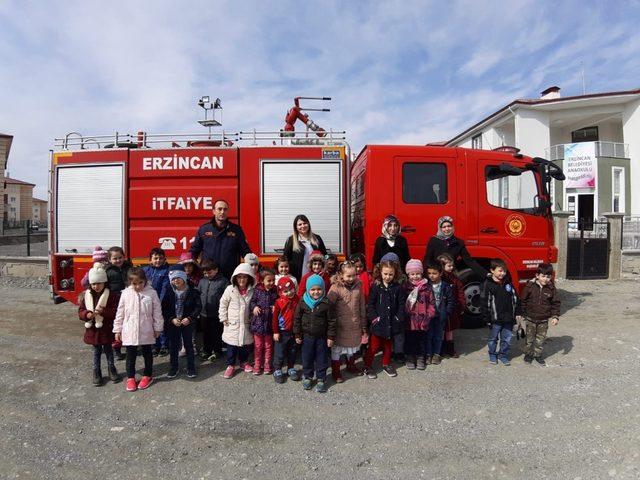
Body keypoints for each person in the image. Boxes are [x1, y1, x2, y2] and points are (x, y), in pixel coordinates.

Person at [113, 267, 163, 392]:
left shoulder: (151, 293)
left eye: (140, 282)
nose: (138, 286)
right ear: (129, 283)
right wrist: (117, 330)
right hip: (130, 329)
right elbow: (120, 313)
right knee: (131, 355)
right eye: (134, 283)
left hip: (146, 329)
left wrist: (158, 328)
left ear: (145, 281)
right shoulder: (125, 294)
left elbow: (157, 312)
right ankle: (130, 377)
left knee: (147, 353)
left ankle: (147, 375)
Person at [78, 263, 120, 386]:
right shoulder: (86, 296)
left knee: (108, 351)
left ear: (105, 283)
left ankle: (111, 368)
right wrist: (86, 314)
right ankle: (96, 371)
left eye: (99, 283)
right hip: (93, 331)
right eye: (93, 284)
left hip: (106, 329)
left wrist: (104, 312)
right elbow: (80, 311)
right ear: (90, 284)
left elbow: (116, 311)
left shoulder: (111, 296)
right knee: (96, 352)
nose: (96, 286)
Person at [293, 274, 336, 393]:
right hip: (307, 337)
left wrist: (330, 336)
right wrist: (297, 334)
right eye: (313, 289)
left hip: (322, 337)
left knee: (321, 358)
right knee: (307, 357)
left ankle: (321, 378)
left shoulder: (326, 303)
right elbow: (297, 319)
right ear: (308, 290)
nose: (316, 292)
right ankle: (308, 376)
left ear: (323, 289)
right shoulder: (303, 301)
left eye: (319, 289)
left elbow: (332, 321)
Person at [190, 199, 252, 281]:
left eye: (225, 209)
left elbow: (245, 251)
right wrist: (193, 270)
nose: (222, 212)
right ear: (214, 211)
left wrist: (253, 262)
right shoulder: (204, 229)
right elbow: (194, 251)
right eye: (219, 209)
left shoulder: (236, 230)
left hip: (229, 277)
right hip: (208, 278)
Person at [363, 260, 406, 379]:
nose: (388, 277)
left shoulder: (398, 288)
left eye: (390, 274)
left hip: (392, 323)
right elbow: (370, 304)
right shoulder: (376, 287)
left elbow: (402, 304)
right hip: (378, 323)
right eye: (385, 274)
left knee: (388, 346)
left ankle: (386, 364)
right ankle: (367, 365)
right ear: (380, 273)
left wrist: (398, 318)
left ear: (395, 274)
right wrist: (374, 318)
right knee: (373, 346)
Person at [327, 261, 367, 383]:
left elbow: (361, 305)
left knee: (352, 347)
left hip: (354, 324)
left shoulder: (359, 285)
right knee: (337, 349)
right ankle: (336, 371)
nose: (351, 278)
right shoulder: (335, 287)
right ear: (340, 275)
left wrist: (363, 325)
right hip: (340, 325)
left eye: (354, 275)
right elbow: (329, 306)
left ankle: (351, 365)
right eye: (348, 276)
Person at [480, 258, 522, 366]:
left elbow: (516, 299)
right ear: (492, 270)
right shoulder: (488, 284)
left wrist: (518, 312)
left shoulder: (508, 284)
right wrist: (487, 318)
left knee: (506, 339)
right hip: (495, 319)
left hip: (508, 318)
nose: (502, 273)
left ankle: (503, 355)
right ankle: (492, 354)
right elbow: (485, 302)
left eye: (504, 271)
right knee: (493, 339)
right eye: (500, 270)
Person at [163, 266, 202, 379]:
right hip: (174, 323)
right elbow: (164, 308)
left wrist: (190, 318)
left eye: (178, 278)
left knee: (188, 345)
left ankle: (191, 367)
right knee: (174, 346)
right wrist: (171, 319)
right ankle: (174, 367)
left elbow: (198, 307)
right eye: (173, 279)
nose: (176, 281)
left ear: (184, 277)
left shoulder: (193, 291)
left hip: (187, 323)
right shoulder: (169, 291)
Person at [519, 263, 561, 366]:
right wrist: (521, 313)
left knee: (540, 340)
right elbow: (523, 300)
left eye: (548, 276)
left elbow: (556, 303)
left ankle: (537, 355)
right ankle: (528, 354)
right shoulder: (530, 286)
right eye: (543, 276)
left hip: (543, 320)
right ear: (537, 275)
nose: (545, 279)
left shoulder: (551, 289)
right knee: (529, 339)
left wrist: (555, 316)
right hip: (530, 319)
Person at [219, 263, 255, 379]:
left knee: (244, 347)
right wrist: (223, 317)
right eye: (239, 277)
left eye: (244, 277)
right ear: (235, 278)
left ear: (249, 278)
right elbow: (223, 304)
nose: (242, 280)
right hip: (232, 325)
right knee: (231, 347)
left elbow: (255, 304)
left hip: (246, 324)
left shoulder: (252, 291)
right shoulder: (230, 290)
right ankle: (230, 365)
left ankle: (244, 362)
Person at [423, 216, 488, 279]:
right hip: (436, 276)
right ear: (440, 228)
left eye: (449, 226)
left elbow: (469, 261)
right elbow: (427, 260)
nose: (447, 229)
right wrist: (425, 276)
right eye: (444, 227)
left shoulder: (459, 242)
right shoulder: (434, 240)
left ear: (452, 227)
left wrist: (486, 274)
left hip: (450, 275)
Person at [403, 259, 435, 371]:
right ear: (408, 274)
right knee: (410, 340)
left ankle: (421, 357)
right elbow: (402, 302)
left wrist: (429, 314)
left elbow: (432, 303)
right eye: (412, 274)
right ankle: (410, 357)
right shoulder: (405, 288)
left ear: (422, 273)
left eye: (417, 273)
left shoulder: (427, 288)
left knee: (421, 340)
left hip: (423, 320)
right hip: (410, 320)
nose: (415, 276)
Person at [197, 260, 229, 362]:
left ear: (216, 270)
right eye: (205, 273)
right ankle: (207, 350)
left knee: (217, 333)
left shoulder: (223, 281)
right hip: (203, 313)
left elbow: (227, 297)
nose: (207, 275)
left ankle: (217, 351)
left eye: (209, 272)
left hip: (217, 313)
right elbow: (198, 294)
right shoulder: (202, 281)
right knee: (205, 333)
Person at [272, 277, 301, 384]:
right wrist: (275, 331)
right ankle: (277, 370)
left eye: (291, 289)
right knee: (279, 352)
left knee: (292, 351)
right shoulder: (279, 302)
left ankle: (291, 368)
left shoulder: (298, 299)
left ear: (294, 288)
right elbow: (274, 318)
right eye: (285, 291)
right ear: (280, 292)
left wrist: (299, 331)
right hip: (282, 331)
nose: (289, 293)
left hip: (294, 331)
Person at [425, 263, 455, 365]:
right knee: (429, 336)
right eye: (429, 273)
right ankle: (428, 354)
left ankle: (437, 354)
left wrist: (446, 312)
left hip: (441, 315)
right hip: (429, 316)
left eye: (434, 273)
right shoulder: (426, 285)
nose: (431, 276)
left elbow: (451, 301)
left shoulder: (446, 286)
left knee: (438, 336)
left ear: (441, 273)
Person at [143, 247, 171, 357]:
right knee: (150, 324)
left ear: (164, 259)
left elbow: (165, 287)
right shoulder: (145, 270)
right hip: (147, 303)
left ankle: (164, 345)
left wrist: (159, 302)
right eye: (155, 258)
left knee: (161, 325)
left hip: (161, 303)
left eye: (160, 258)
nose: (158, 260)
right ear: (150, 259)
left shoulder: (167, 271)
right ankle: (155, 345)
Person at [249, 269, 278, 375]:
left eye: (273, 280)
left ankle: (267, 364)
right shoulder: (257, 290)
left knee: (268, 346)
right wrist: (255, 307)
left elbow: (278, 301)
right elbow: (252, 302)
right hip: (258, 323)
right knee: (258, 345)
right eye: (269, 280)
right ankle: (257, 364)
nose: (272, 283)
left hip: (270, 325)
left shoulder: (275, 291)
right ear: (262, 281)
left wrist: (276, 306)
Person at [105, 246, 132, 361]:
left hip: (128, 300)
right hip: (115, 301)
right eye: (115, 258)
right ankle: (117, 350)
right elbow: (105, 288)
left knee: (129, 322)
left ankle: (130, 345)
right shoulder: (108, 271)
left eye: (120, 257)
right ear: (109, 260)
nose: (118, 260)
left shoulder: (129, 268)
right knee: (117, 325)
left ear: (124, 257)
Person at [283, 214, 327, 281]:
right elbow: (285, 259)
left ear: (308, 224)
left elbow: (325, 255)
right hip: (298, 277)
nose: (303, 226)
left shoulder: (317, 238)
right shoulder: (291, 240)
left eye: (304, 223)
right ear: (296, 227)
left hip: (316, 275)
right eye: (300, 224)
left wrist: (324, 269)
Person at [437, 253, 466, 358]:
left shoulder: (455, 278)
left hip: (452, 309)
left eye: (452, 265)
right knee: (441, 330)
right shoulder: (440, 278)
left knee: (449, 330)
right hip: (440, 308)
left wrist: (462, 304)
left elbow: (460, 292)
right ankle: (439, 350)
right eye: (449, 265)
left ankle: (450, 349)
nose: (452, 267)